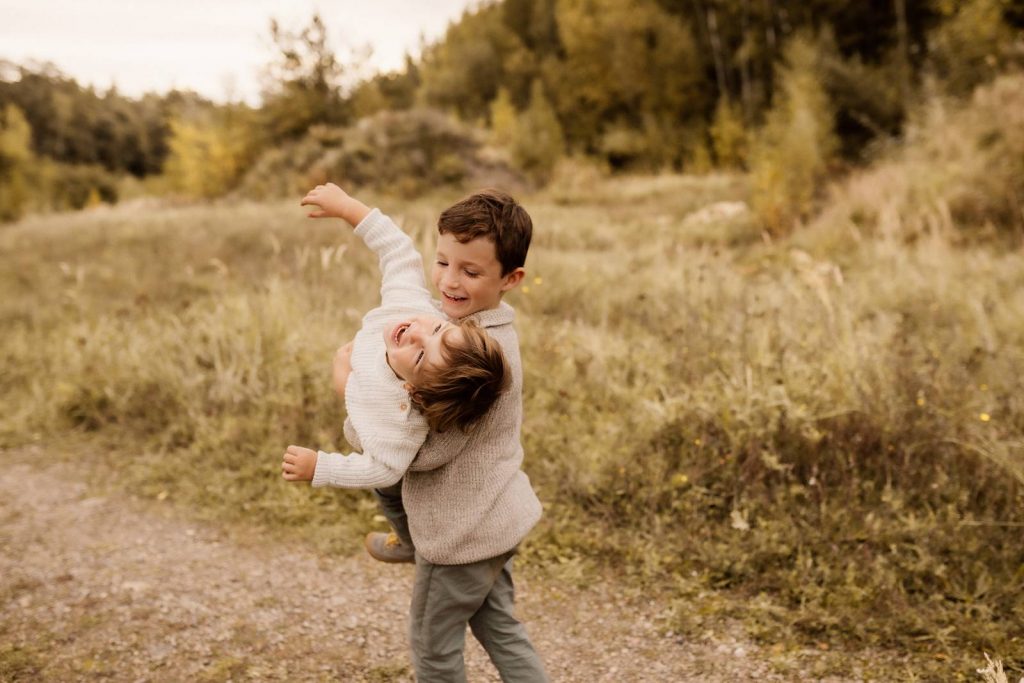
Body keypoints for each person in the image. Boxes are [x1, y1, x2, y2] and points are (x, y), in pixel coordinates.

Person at [362, 189, 548, 682]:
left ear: (511, 279)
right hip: (494, 521)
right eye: (443, 261)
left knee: (433, 647)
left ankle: (413, 540)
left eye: (470, 271)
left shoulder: (478, 361)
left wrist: (364, 414)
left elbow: (421, 457)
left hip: (461, 536)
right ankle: (409, 539)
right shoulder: (475, 329)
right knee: (500, 628)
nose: (448, 280)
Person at [280, 181, 508, 499]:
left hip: (412, 487)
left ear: (412, 389)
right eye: (438, 329)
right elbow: (397, 250)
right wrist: (349, 208)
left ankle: (402, 539)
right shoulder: (410, 307)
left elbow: (384, 469)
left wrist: (320, 466)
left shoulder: (398, 416)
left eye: (419, 356)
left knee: (388, 496)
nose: (416, 333)